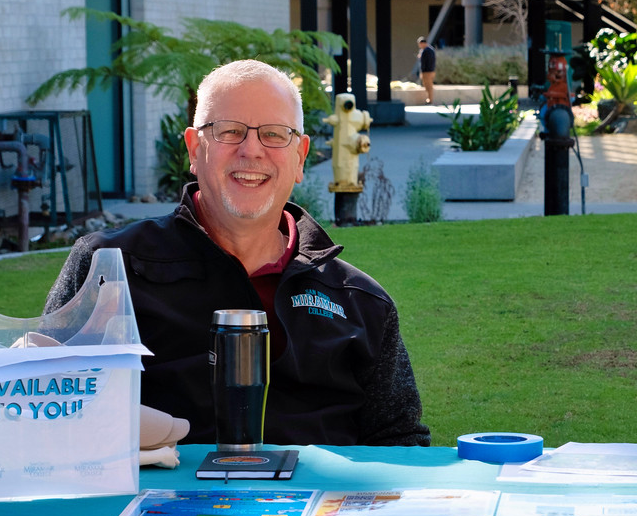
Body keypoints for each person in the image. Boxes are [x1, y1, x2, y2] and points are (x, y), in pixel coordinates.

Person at [45, 60, 429, 447]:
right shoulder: (109, 269)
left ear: (300, 157)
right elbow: (46, 409)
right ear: (195, 149)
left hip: (319, 488)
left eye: (274, 134)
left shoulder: (359, 302)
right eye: (230, 131)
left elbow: (400, 441)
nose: (252, 150)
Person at [416, 34, 437, 105]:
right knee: (427, 85)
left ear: (423, 43)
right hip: (430, 70)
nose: (419, 46)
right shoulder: (429, 50)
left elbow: (426, 62)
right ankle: (429, 99)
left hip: (427, 71)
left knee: (428, 86)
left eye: (419, 44)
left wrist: (423, 70)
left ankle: (430, 99)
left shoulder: (427, 51)